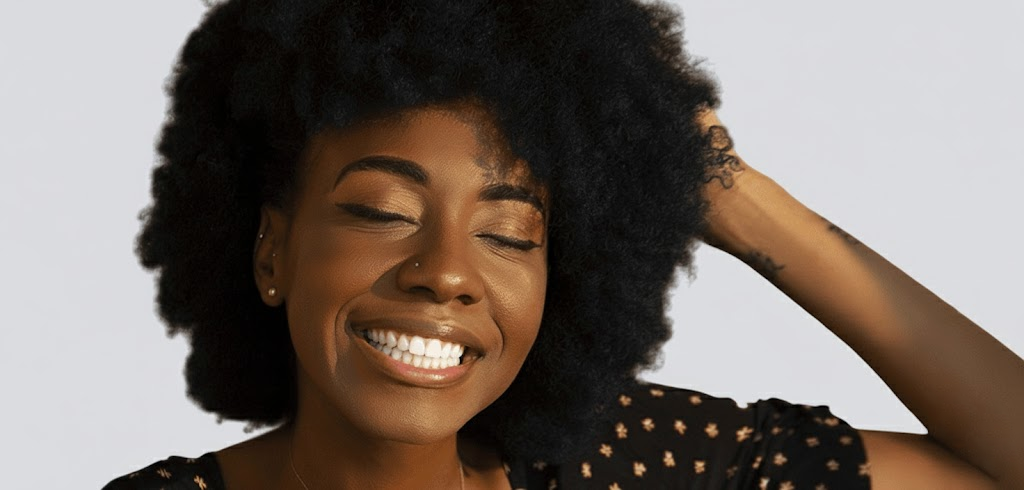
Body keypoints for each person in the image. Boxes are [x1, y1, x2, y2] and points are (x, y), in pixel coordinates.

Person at [102, 0, 1024, 488]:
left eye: (508, 233)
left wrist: (724, 195)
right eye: (384, 210)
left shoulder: (627, 466)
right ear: (270, 252)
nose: (448, 274)